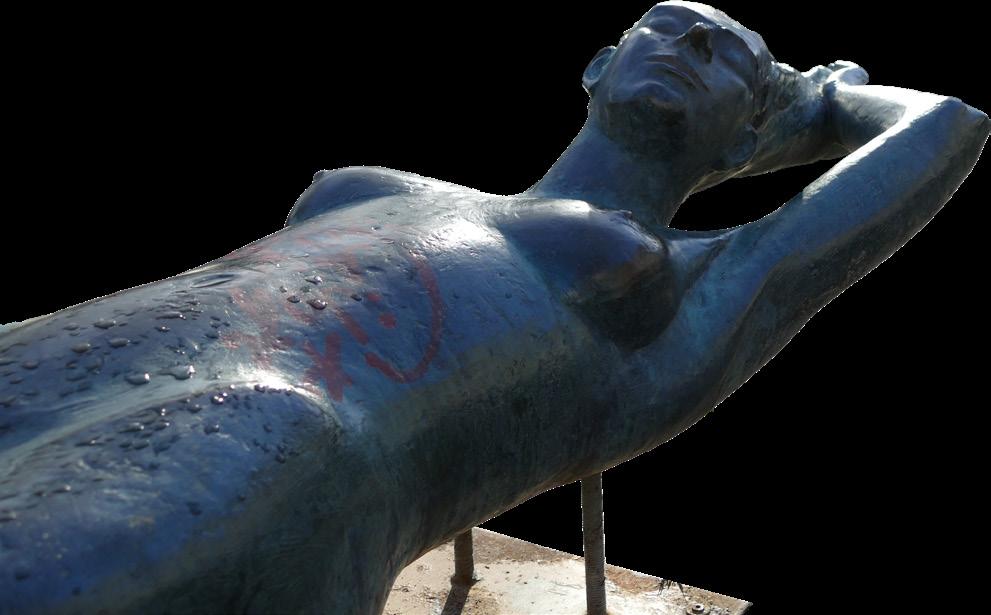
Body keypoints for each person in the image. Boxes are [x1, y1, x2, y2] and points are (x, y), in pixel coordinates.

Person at [0, 2, 986, 613]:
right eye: (669, 24)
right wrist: (761, 95)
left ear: (743, 144)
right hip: (102, 341)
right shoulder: (383, 185)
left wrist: (816, 106)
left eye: (729, 57)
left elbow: (944, 123)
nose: (690, 42)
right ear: (598, 65)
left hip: (280, 434)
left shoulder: (679, 285)